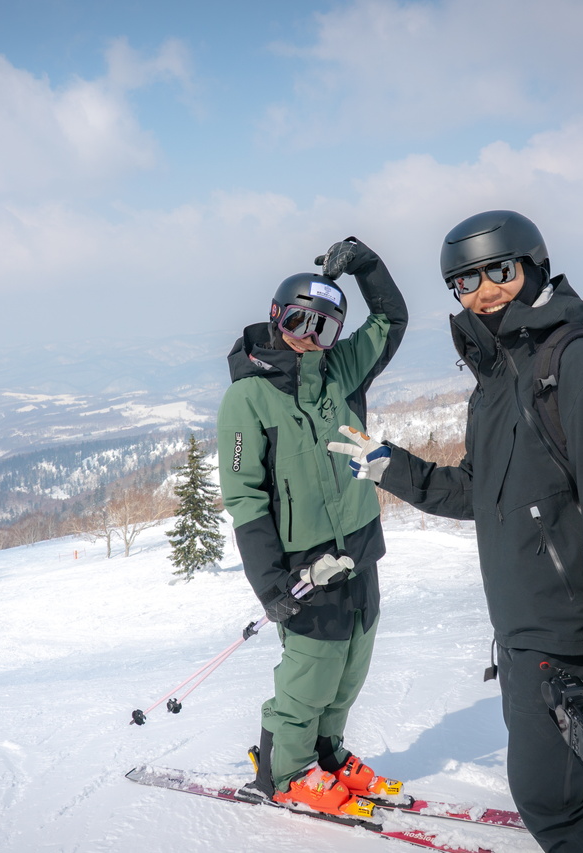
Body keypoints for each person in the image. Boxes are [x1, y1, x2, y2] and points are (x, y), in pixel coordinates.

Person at [328, 211, 583, 852]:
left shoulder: (580, 362)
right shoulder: (498, 379)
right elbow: (477, 492)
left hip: (571, 634)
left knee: (555, 804)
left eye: (499, 272)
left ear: (534, 267)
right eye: (464, 282)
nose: (483, 293)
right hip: (522, 629)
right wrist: (387, 465)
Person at [216, 237, 408, 819]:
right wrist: (270, 582)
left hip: (360, 544)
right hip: (304, 563)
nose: (309, 336)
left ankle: (327, 755)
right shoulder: (247, 399)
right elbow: (244, 496)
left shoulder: (341, 371)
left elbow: (390, 320)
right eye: (299, 321)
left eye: (324, 328)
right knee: (312, 667)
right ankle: (285, 770)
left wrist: (369, 267)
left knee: (353, 660)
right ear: (277, 319)